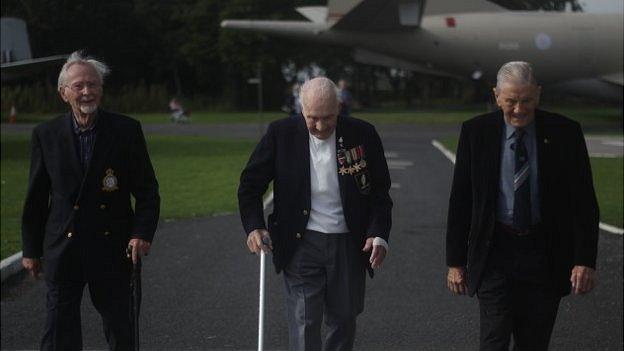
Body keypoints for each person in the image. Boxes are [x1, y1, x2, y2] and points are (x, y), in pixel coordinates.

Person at [445, 61, 599, 350]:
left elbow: (584, 202)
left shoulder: (566, 133)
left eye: (527, 100)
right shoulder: (476, 133)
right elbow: (461, 199)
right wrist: (455, 262)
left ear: (538, 95)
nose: (519, 109)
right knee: (493, 340)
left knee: (534, 343)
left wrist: (585, 260)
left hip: (545, 254)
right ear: (496, 96)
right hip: (495, 252)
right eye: (511, 101)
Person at [238, 77, 392, 350]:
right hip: (300, 242)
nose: (320, 127)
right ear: (300, 109)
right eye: (312, 118)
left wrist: (378, 233)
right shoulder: (280, 134)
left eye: (328, 118)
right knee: (304, 318)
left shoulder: (363, 134)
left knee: (344, 317)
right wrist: (254, 226)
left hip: (348, 241)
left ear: (340, 108)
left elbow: (380, 193)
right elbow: (250, 185)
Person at [21, 51, 160, 350]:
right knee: (59, 331)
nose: (87, 92)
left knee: (121, 329)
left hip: (113, 247)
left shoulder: (126, 130)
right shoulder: (46, 134)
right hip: (63, 247)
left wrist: (141, 233)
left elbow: (147, 191)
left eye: (93, 85)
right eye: (79, 86)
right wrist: (31, 249)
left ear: (101, 88)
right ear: (63, 93)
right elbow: (36, 198)